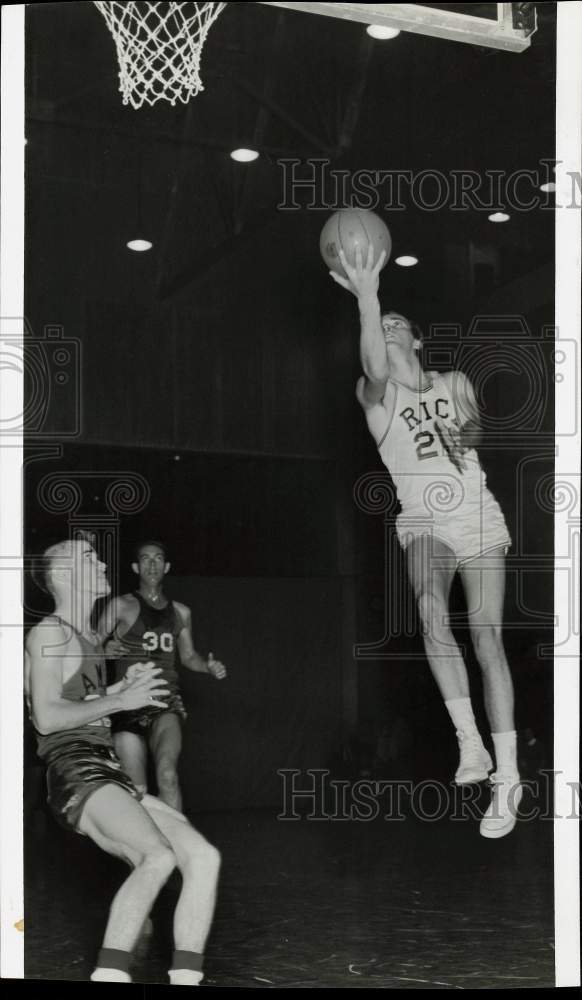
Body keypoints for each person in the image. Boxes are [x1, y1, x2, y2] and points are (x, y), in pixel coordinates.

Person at [330, 244, 522, 839]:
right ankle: (470, 742)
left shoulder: (456, 383)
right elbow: (373, 367)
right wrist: (368, 297)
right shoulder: (376, 397)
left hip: (478, 517)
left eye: (395, 326)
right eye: (378, 327)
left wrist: (459, 430)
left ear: (416, 340)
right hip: (424, 522)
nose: (385, 330)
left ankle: (508, 776)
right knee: (430, 611)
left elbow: (474, 438)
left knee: (487, 639)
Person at [25, 537, 220, 984]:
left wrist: (119, 689)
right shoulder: (49, 632)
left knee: (202, 856)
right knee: (155, 856)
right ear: (62, 575)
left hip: (105, 767)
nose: (98, 560)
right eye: (86, 557)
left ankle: (186, 977)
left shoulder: (86, 637)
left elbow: (81, 698)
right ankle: (110, 973)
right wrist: (120, 701)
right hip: (76, 769)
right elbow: (50, 717)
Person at [97, 541, 226, 812]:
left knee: (168, 775)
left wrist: (208, 667)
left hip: (165, 701)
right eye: (145, 559)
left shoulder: (181, 612)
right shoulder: (120, 605)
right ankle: (147, 850)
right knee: (136, 790)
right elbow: (87, 649)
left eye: (158, 559)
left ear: (167, 567)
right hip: (126, 702)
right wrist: (104, 649)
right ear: (136, 567)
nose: (152, 564)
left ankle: (178, 846)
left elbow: (189, 657)